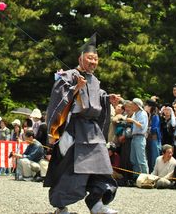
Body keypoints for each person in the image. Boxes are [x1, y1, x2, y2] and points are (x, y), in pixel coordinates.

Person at [44, 34, 120, 214]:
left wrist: (108, 98)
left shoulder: (95, 81)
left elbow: (96, 98)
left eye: (96, 59)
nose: (93, 62)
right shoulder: (68, 76)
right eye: (90, 58)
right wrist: (75, 88)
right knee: (71, 169)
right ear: (80, 58)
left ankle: (96, 204)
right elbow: (58, 99)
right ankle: (61, 206)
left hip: (93, 131)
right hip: (74, 129)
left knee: (102, 168)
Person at [127, 98, 149, 176]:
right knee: (133, 159)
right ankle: (136, 177)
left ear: (137, 105)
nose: (131, 106)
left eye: (132, 104)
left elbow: (141, 126)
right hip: (134, 137)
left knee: (141, 159)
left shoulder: (143, 113)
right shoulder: (135, 113)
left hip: (140, 137)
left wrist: (132, 121)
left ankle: (145, 177)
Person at [145, 99, 161, 173]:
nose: (145, 107)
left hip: (154, 139)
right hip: (148, 139)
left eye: (147, 105)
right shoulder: (148, 115)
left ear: (150, 107)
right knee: (149, 158)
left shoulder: (155, 116)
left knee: (154, 158)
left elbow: (154, 128)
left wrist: (147, 129)